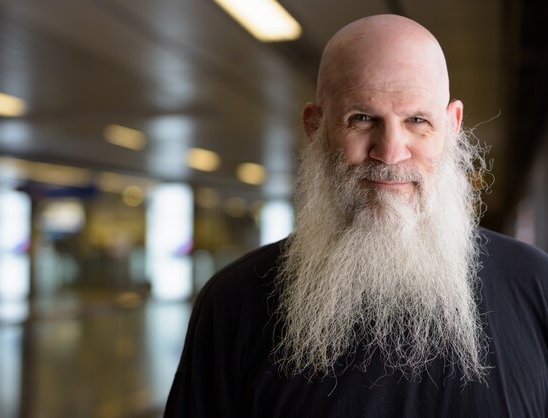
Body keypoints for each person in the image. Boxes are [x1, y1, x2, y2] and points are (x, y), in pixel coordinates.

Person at [164, 14, 548, 417]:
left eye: (417, 121)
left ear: (452, 125)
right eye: (362, 119)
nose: (390, 151)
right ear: (316, 125)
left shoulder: (536, 284)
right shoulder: (233, 302)